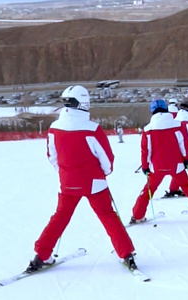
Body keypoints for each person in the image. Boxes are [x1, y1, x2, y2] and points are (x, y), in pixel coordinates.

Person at [27, 85, 138, 273]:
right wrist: (104, 173)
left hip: (68, 183)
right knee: (108, 216)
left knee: (60, 218)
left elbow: (52, 156)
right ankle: (126, 254)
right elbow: (107, 159)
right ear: (84, 103)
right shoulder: (92, 129)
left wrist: (66, 172)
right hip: (95, 183)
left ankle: (41, 256)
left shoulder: (54, 128)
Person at [130, 99, 188, 222]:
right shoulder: (177, 125)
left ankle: (137, 215)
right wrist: (187, 159)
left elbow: (146, 151)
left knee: (148, 190)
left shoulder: (148, 130)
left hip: (157, 167)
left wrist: (145, 166)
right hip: (176, 165)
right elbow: (184, 144)